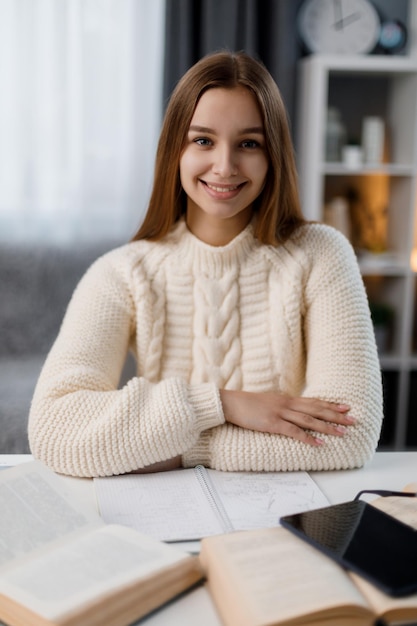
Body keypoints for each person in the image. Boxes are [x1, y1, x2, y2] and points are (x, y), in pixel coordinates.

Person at [28, 50, 383, 478]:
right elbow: (53, 430)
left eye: (249, 144)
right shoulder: (120, 273)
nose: (224, 166)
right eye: (203, 140)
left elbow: (351, 436)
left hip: (285, 517)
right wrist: (223, 404)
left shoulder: (322, 254)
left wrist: (171, 445)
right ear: (175, 150)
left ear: (274, 157)